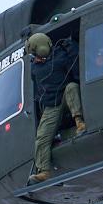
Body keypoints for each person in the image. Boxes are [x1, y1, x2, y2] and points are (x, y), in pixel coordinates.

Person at [25, 31, 82, 184]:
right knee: (42, 137)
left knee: (71, 88)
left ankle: (79, 122)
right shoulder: (61, 55)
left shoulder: (36, 68)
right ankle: (43, 171)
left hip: (59, 99)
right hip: (53, 103)